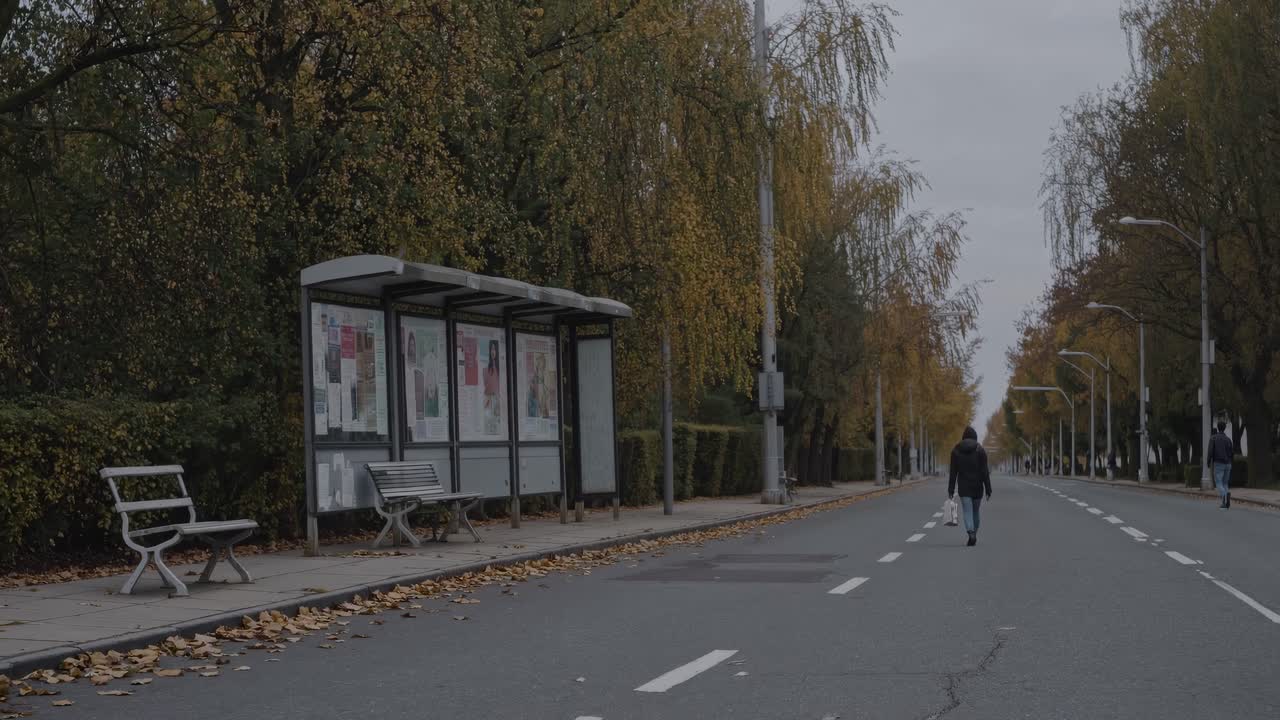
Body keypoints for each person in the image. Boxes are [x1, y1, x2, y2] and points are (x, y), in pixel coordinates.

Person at [948, 426, 993, 546]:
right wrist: (988, 489)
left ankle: (971, 533)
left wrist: (951, 490)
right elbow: (985, 472)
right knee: (975, 511)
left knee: (967, 511)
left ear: (963, 437)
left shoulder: (956, 450)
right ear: (975, 437)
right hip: (978, 487)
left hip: (964, 487)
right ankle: (974, 534)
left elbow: (953, 472)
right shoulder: (980, 450)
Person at [1208, 420, 1234, 508]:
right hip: (1228, 463)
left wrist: (1208, 461)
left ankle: (1225, 496)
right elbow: (1232, 453)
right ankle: (1225, 502)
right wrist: (1231, 462)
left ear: (1218, 428)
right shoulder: (1228, 439)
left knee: (1218, 482)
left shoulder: (1213, 438)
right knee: (1225, 483)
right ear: (1225, 428)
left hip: (1218, 463)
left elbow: (1210, 451)